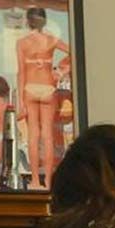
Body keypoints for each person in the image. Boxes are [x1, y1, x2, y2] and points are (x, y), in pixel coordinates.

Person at [15, 7, 68, 190]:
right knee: (48, 136)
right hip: (47, 87)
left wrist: (20, 101)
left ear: (28, 21)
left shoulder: (22, 43)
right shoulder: (51, 40)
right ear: (44, 21)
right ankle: (49, 182)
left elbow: (21, 73)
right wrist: (61, 71)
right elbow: (74, 52)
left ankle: (36, 181)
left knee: (33, 135)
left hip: (30, 88)